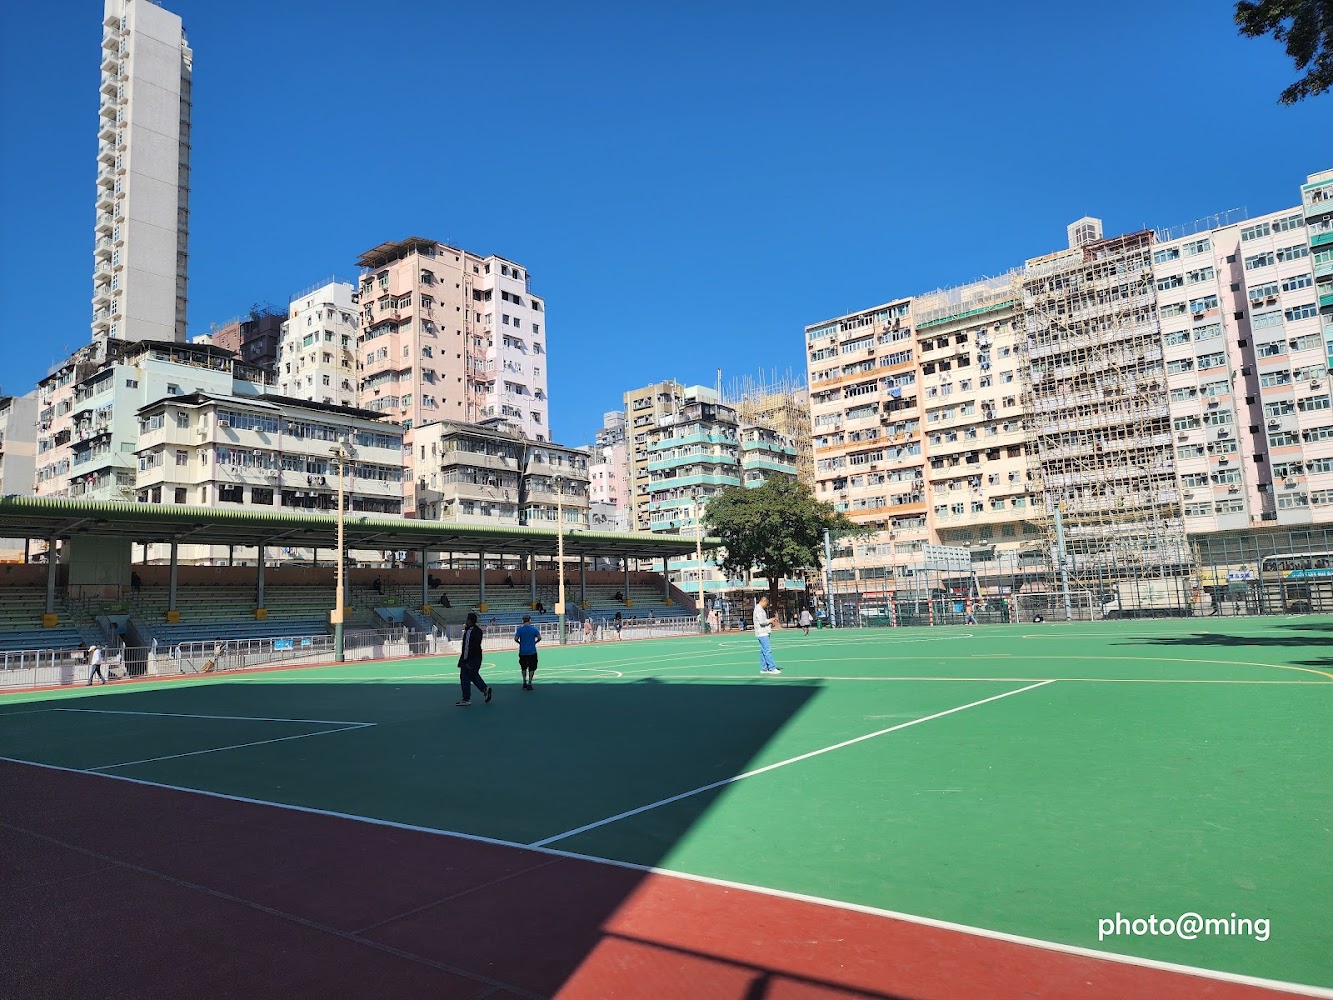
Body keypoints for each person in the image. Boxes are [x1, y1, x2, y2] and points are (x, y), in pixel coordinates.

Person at [456, 612, 492, 706]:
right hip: (477, 657)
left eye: (467, 619)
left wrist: (465, 660)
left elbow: (468, 647)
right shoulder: (478, 631)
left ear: (470, 621)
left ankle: (466, 698)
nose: (466, 621)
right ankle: (485, 689)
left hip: (470, 658)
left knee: (464, 676)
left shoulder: (469, 631)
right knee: (472, 675)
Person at [514, 614, 541, 690]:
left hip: (523, 651)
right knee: (532, 667)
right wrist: (535, 642)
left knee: (523, 667)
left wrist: (520, 643)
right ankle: (530, 682)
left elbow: (516, 638)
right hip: (532, 651)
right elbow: (539, 638)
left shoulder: (520, 630)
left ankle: (524, 682)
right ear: (530, 620)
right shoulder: (534, 629)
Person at [754, 596, 780, 674]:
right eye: (766, 603)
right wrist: (770, 620)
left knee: (763, 651)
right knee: (767, 651)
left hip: (762, 632)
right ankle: (772, 668)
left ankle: (764, 668)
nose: (766, 605)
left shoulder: (760, 609)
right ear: (763, 601)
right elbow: (762, 621)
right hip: (762, 633)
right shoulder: (759, 610)